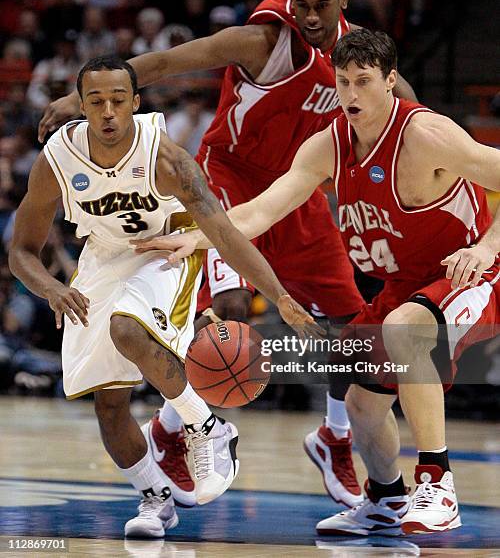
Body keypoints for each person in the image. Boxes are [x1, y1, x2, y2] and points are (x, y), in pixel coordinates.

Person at [38, 0, 417, 509]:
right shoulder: (264, 41)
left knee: (344, 318)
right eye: (301, 4)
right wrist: (83, 98)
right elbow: (170, 60)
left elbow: (409, 107)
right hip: (228, 177)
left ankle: (334, 435)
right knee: (230, 307)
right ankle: (177, 428)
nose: (309, 17)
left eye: (321, 7)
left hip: (298, 190)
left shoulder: (359, 58)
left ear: (344, 4)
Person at [134, 29, 500, 536]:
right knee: (360, 402)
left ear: (391, 81)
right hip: (402, 287)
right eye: (344, 82)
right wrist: (197, 239)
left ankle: (437, 484)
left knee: (403, 328)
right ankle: (387, 499)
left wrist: (484, 249)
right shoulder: (327, 147)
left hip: (467, 274)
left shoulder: (426, 135)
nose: (351, 94)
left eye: (364, 82)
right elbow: (263, 209)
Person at [9, 55, 317, 537]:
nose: (108, 112)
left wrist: (277, 294)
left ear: (135, 102)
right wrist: (51, 288)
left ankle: (207, 426)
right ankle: (155, 497)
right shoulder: (57, 162)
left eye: (117, 100)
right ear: (82, 107)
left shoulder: (167, 158)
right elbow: (22, 251)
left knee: (126, 329)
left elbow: (226, 232)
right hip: (104, 254)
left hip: (171, 246)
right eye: (96, 102)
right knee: (108, 404)